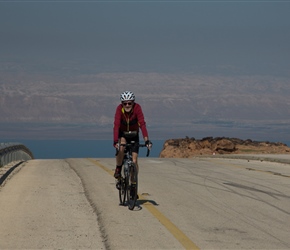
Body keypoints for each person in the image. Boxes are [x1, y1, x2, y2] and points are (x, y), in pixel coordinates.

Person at [113, 91, 152, 187]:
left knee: (134, 161)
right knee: (121, 148)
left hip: (134, 135)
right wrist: (115, 141)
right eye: (125, 103)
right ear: (122, 104)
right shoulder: (119, 109)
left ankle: (133, 183)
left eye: (129, 103)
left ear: (133, 102)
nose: (127, 105)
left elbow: (142, 124)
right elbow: (116, 125)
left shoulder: (137, 108)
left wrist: (146, 140)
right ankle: (118, 168)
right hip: (123, 134)